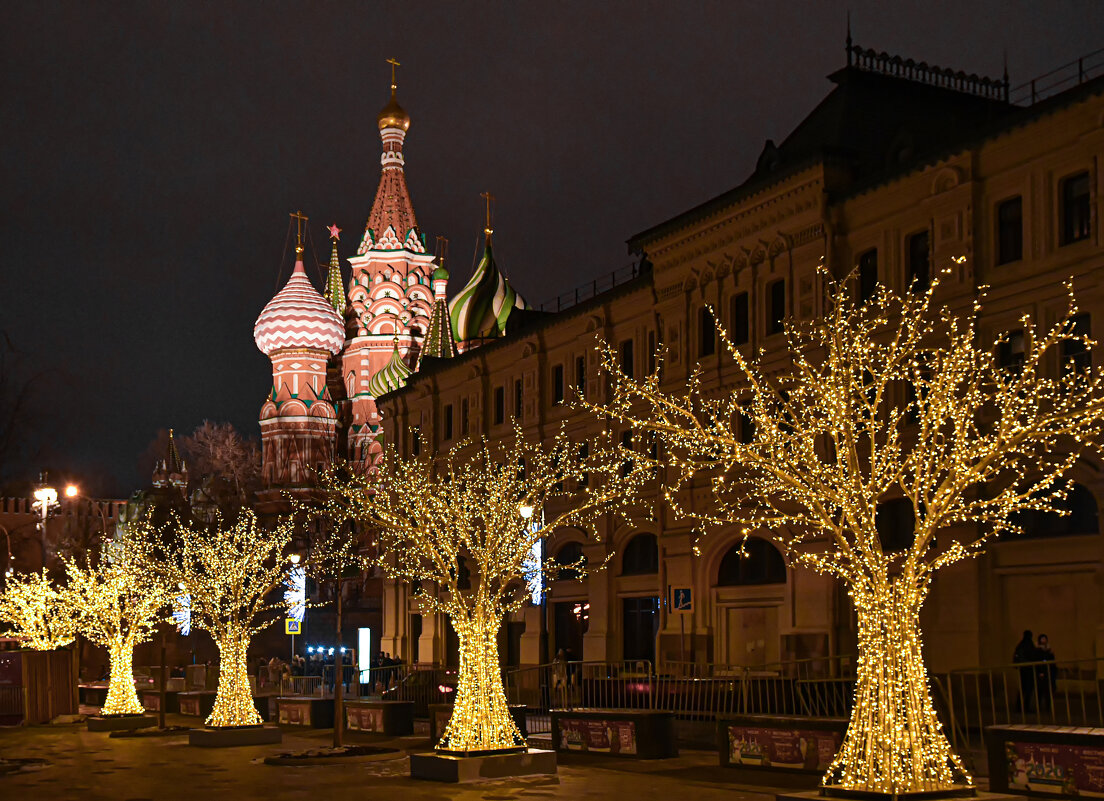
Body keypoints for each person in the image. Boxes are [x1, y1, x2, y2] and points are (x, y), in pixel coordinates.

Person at [1013, 630, 1038, 714]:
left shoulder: (1021, 645)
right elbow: (1034, 656)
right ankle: (1025, 707)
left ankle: (1019, 706)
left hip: (1023, 670)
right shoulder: (1029, 645)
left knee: (1023, 689)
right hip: (1029, 670)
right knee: (1028, 689)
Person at [1035, 633, 1057, 714]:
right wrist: (1040, 672)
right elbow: (1037, 661)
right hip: (1041, 674)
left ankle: (1048, 707)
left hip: (1049, 674)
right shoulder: (1037, 650)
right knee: (1040, 692)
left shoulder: (1049, 650)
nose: (1044, 640)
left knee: (1048, 692)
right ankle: (1039, 706)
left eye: (1045, 639)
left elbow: (1052, 662)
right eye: (1042, 639)